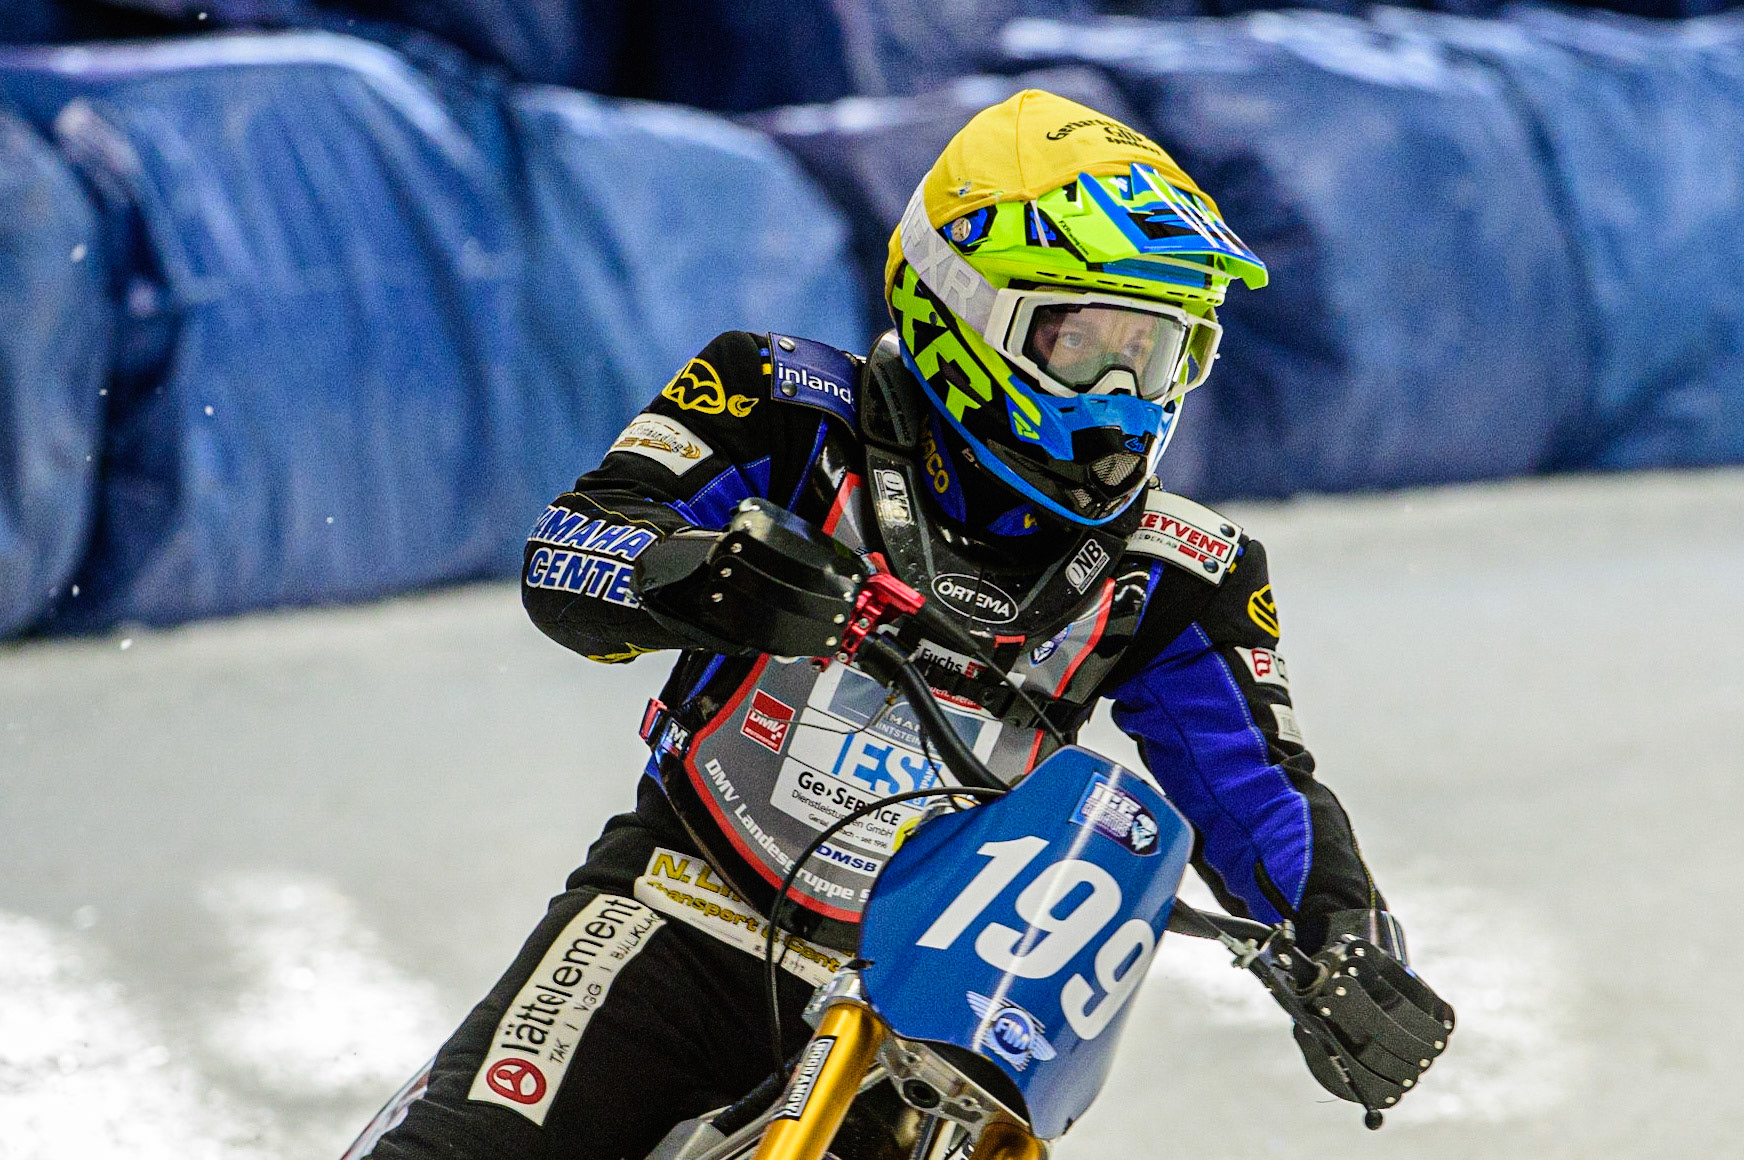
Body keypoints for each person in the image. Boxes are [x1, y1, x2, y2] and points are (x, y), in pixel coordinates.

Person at [348, 89, 1452, 1160]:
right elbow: (570, 548)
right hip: (677, 912)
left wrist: (1348, 935)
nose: (1122, 395)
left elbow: (1254, 785)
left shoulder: (1185, 568)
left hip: (924, 1023)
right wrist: (700, 574)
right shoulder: (777, 402)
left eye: (1154, 352)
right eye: (1083, 345)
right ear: (959, 308)